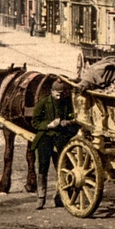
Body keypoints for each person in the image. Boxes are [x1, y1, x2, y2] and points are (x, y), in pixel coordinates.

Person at [32, 79, 79, 209]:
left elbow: (74, 119)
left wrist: (67, 123)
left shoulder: (67, 104)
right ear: (52, 91)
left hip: (61, 138)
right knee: (43, 166)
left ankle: (61, 195)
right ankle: (41, 197)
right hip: (45, 138)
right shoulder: (42, 104)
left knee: (62, 165)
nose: (59, 97)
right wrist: (48, 125)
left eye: (61, 94)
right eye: (56, 94)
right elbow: (35, 123)